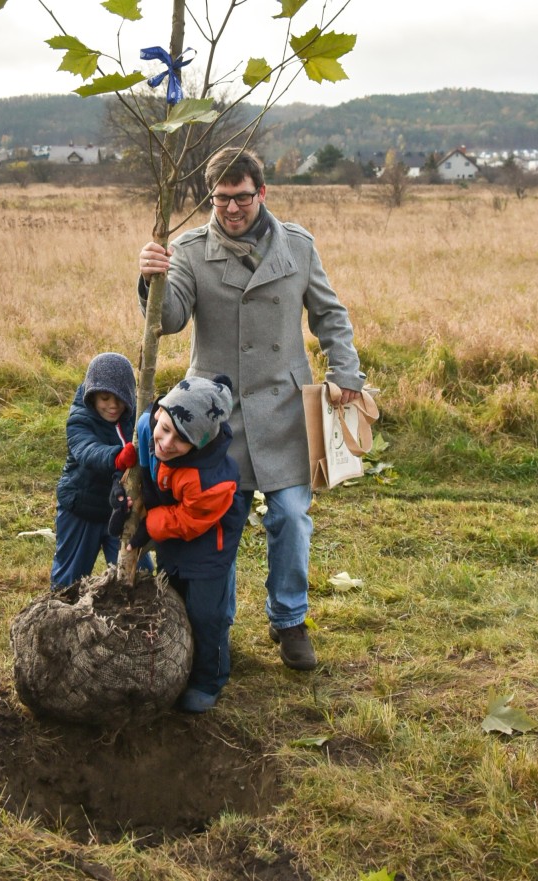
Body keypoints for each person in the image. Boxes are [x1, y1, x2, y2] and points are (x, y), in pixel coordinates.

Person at [136, 147, 364, 671]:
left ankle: (289, 621)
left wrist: (345, 373)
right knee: (221, 520)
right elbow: (168, 320)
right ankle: (213, 627)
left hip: (284, 408)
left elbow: (330, 314)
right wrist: (153, 277)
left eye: (240, 198)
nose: (231, 210)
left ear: (261, 193)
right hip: (212, 417)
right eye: (220, 200)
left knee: (289, 516)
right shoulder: (191, 250)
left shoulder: (298, 247)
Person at [119, 375, 247, 713]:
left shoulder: (210, 481)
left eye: (182, 439)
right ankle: (178, 662)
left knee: (205, 613)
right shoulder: (149, 426)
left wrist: (148, 526)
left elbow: (189, 522)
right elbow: (143, 457)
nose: (167, 442)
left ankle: (209, 678)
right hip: (172, 534)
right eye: (166, 428)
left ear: (200, 445)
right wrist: (126, 475)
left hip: (208, 544)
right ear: (159, 411)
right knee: (173, 593)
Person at [50, 352, 148, 589]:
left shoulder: (134, 417)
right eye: (104, 398)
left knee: (139, 574)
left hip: (120, 511)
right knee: (70, 579)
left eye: (120, 399)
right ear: (92, 395)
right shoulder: (79, 420)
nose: (113, 406)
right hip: (82, 509)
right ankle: (63, 617)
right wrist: (117, 456)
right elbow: (87, 450)